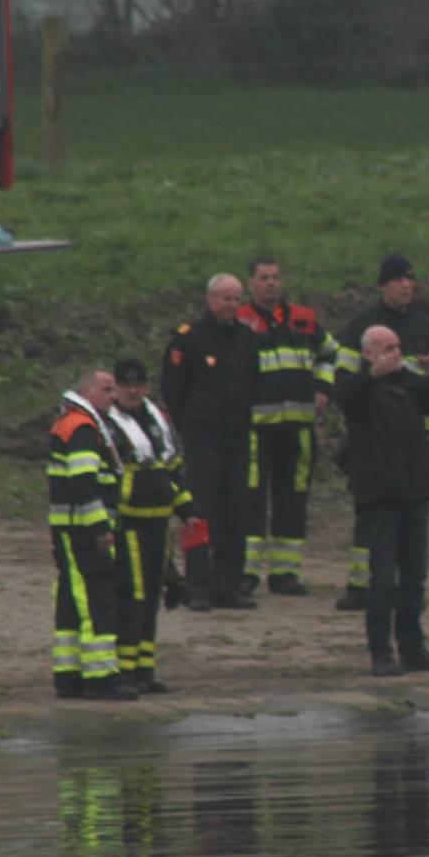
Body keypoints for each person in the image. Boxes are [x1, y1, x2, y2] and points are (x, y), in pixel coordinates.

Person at [333, 253, 429, 611]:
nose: (406, 286)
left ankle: (400, 591)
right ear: (383, 285)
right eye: (398, 280)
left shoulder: (425, 327)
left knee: (410, 526)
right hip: (373, 437)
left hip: (416, 437)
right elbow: (343, 385)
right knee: (371, 516)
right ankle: (361, 585)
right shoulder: (363, 324)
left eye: (410, 280)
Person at [335, 324, 429, 675]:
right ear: (369, 353)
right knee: (382, 579)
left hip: (414, 491)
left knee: (414, 578)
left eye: (397, 346)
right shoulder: (360, 385)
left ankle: (413, 648)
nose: (395, 353)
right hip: (379, 495)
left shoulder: (409, 383)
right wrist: (372, 375)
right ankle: (381, 653)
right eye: (386, 348)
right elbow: (345, 398)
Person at [237, 256, 340, 597]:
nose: (271, 283)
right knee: (251, 500)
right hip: (255, 429)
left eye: (275, 277)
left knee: (293, 499)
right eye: (264, 278)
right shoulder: (241, 321)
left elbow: (331, 353)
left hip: (298, 428)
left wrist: (323, 388)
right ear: (250, 283)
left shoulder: (304, 319)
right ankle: (246, 573)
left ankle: (285, 573)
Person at [160, 273, 259, 611]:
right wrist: (189, 427)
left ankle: (228, 585)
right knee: (200, 513)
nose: (230, 305)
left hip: (237, 438)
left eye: (235, 298)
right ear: (209, 299)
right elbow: (173, 390)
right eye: (224, 298)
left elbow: (252, 385)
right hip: (204, 440)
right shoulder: (190, 339)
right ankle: (198, 585)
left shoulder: (247, 338)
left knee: (235, 513)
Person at [106, 358, 200, 693]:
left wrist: (187, 510)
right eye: (126, 384)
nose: (133, 390)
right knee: (132, 597)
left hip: (158, 523)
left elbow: (172, 469)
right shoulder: (108, 422)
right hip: (127, 524)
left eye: (139, 383)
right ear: (116, 386)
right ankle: (125, 671)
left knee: (152, 599)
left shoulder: (157, 418)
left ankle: (145, 670)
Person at [48, 369, 138, 701]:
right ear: (87, 392)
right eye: (107, 389)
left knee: (72, 602)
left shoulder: (73, 423)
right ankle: (100, 676)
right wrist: (101, 527)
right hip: (82, 530)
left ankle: (69, 674)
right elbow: (83, 482)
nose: (114, 396)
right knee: (94, 600)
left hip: (71, 528)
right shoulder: (83, 428)